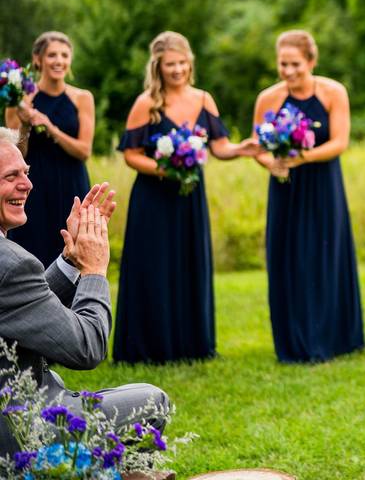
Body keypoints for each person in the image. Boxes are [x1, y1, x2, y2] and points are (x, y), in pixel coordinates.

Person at [0, 128, 168, 456]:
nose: (28, 184)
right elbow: (86, 348)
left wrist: (71, 261)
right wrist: (94, 268)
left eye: (27, 172)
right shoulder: (13, 263)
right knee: (153, 401)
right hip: (20, 434)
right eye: (11, 176)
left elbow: (24, 308)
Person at [114, 31, 259, 364]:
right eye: (170, 65)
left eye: (182, 63)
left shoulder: (204, 100)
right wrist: (164, 170)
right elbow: (131, 154)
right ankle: (150, 348)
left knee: (189, 262)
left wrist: (241, 149)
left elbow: (219, 147)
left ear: (190, 63)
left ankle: (192, 345)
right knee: (153, 265)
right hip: (153, 197)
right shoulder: (146, 104)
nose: (177, 70)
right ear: (158, 67)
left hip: (190, 196)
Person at [252, 29, 365, 363]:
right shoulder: (268, 98)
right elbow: (257, 145)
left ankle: (336, 338)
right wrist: (271, 164)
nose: (288, 71)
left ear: (311, 61)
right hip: (286, 188)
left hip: (323, 185)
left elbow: (339, 142)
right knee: (288, 258)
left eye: (295, 64)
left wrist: (300, 157)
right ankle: (294, 339)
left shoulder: (333, 92)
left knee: (325, 255)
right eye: (283, 64)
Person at [5, 32, 93, 267]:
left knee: (73, 253)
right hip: (34, 187)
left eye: (64, 55)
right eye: (52, 55)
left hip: (71, 184)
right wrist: (25, 122)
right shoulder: (20, 99)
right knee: (33, 250)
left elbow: (84, 150)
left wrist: (51, 128)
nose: (59, 61)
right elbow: (17, 154)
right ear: (38, 59)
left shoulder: (82, 98)